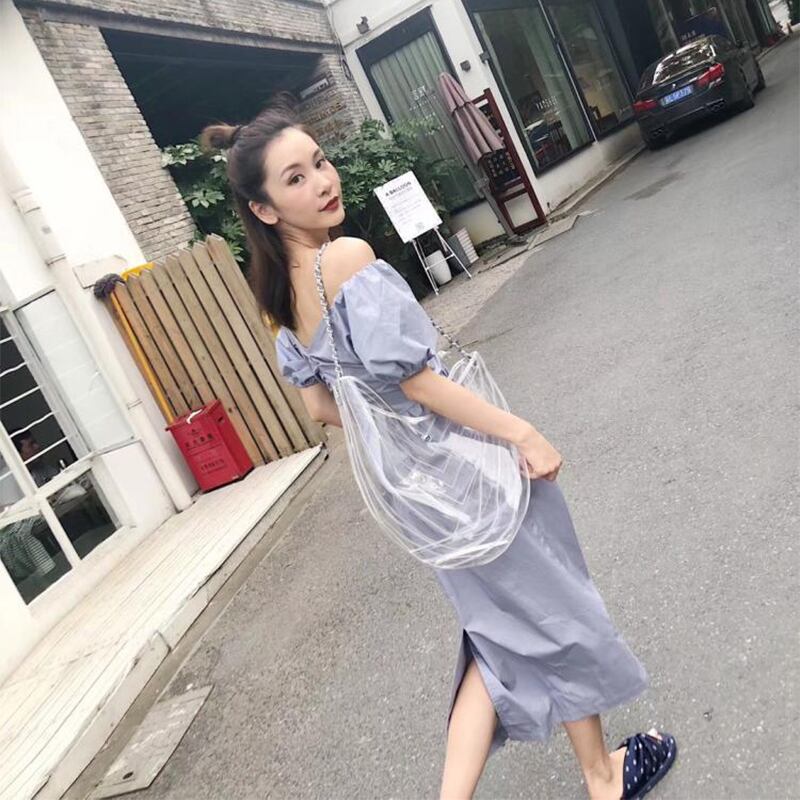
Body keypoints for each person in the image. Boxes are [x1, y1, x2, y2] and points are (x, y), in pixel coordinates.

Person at [201, 102, 677, 800]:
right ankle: (602, 778)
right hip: (463, 470)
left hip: (416, 499)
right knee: (553, 609)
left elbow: (320, 407)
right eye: (295, 178)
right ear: (264, 208)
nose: (323, 182)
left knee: (496, 632)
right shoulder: (346, 259)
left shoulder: (279, 296)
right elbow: (419, 383)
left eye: (319, 163)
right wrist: (519, 431)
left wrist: (391, 431)